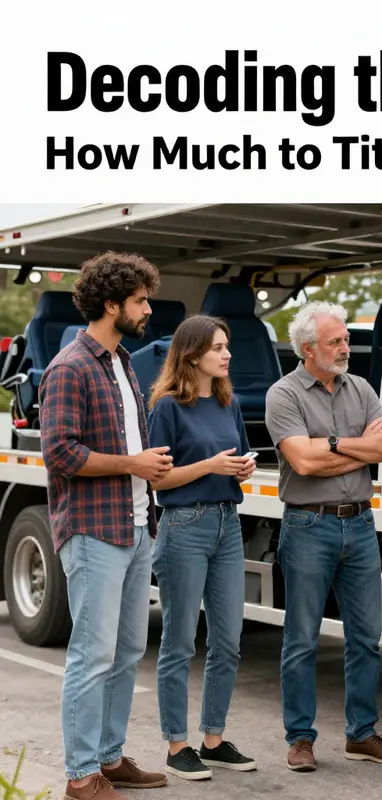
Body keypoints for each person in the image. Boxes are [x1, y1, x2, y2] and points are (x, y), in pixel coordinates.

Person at [39, 252, 173, 800]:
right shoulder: (70, 367)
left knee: (124, 652)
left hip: (135, 525)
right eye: (140, 300)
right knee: (91, 656)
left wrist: (148, 471)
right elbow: (60, 454)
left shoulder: (119, 363)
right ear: (112, 304)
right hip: (94, 532)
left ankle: (110, 758)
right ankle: (80, 775)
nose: (148, 309)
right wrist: (133, 465)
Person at [265, 301, 382, 772]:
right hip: (308, 525)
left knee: (366, 637)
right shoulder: (283, 395)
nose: (347, 347)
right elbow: (302, 464)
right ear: (308, 350)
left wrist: (327, 444)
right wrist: (356, 451)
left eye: (345, 339)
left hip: (360, 524)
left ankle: (361, 735)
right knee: (302, 639)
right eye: (336, 342)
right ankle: (301, 739)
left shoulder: (361, 387)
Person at [146, 315, 258, 780]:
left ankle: (213, 740)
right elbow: (159, 478)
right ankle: (177, 746)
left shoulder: (228, 403)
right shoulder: (168, 407)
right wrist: (209, 466)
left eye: (227, 347)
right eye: (218, 348)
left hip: (227, 525)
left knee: (228, 640)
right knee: (177, 642)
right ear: (191, 354)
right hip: (184, 526)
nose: (227, 354)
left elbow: (239, 456)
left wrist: (240, 470)